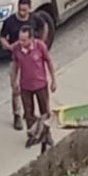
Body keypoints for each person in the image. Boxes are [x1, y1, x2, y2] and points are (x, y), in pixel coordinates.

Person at [0, 0, 48, 130]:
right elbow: (2, 37)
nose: (22, 13)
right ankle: (17, 115)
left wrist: (41, 43)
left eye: (25, 10)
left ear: (29, 9)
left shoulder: (34, 18)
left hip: (31, 58)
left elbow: (44, 26)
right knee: (16, 89)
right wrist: (8, 46)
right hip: (16, 59)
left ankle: (31, 114)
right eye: (20, 10)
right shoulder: (10, 21)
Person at [11, 25, 56, 154]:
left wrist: (53, 80)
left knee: (45, 112)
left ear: (31, 39)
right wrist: (14, 82)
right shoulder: (17, 49)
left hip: (41, 85)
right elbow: (15, 66)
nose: (21, 43)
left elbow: (49, 62)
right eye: (20, 39)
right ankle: (32, 135)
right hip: (25, 86)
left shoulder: (40, 46)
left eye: (24, 40)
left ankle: (47, 135)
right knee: (28, 113)